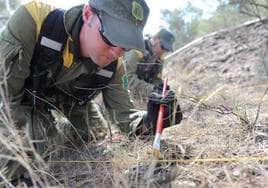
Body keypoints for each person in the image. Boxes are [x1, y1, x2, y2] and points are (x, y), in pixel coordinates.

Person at [0, 0, 182, 186]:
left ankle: (57, 131)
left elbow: (126, 117)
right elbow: (5, 101)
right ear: (87, 14)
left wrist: (149, 121)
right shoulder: (34, 21)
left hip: (69, 104)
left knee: (97, 136)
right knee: (36, 141)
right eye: (112, 37)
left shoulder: (114, 67)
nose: (117, 52)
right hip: (19, 99)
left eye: (126, 45)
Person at [124, 28, 175, 101]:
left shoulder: (160, 58)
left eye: (167, 49)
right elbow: (127, 79)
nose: (164, 51)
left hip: (140, 93)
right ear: (155, 39)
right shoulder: (137, 50)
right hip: (121, 90)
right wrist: (153, 90)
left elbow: (156, 79)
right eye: (163, 47)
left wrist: (162, 88)